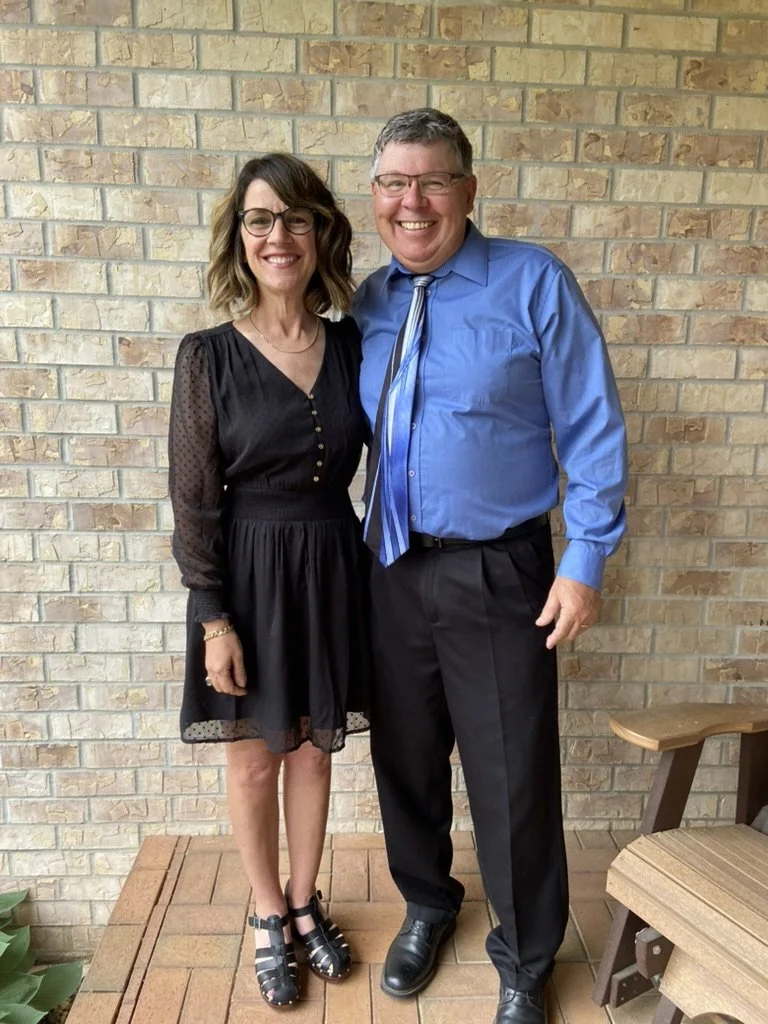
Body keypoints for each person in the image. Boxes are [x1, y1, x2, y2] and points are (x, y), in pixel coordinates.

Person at [354, 109, 627, 1024]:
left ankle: (524, 955)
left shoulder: (534, 281)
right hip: (388, 567)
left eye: (432, 181)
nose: (413, 201)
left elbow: (591, 427)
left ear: (469, 191)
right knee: (405, 759)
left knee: (511, 773)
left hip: (499, 570)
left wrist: (584, 559)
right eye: (395, 183)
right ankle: (429, 903)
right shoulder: (367, 301)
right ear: (376, 197)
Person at [168, 153, 370, 1010]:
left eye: (295, 218)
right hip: (246, 579)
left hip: (333, 562)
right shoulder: (207, 356)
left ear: (321, 232)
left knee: (315, 753)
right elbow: (191, 499)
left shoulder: (357, 342)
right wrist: (214, 618)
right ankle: (263, 914)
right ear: (238, 237)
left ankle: (303, 902)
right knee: (254, 762)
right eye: (260, 219)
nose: (277, 236)